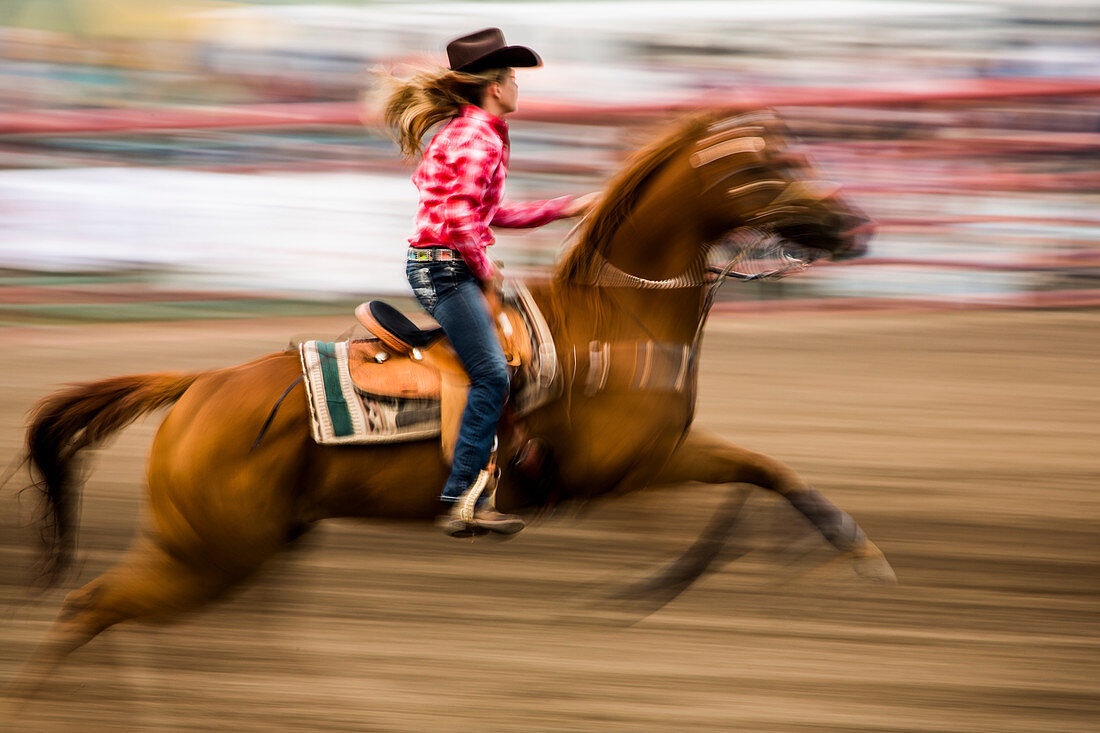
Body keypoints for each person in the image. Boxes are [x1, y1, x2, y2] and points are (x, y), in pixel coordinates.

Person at [379, 28, 597, 537]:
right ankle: (462, 497)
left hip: (443, 263)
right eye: (514, 78)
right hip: (445, 269)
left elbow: (489, 212)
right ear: (495, 87)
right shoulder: (477, 139)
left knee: (508, 359)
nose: (519, 86)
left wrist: (565, 207)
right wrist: (484, 270)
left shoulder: (472, 133)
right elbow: (460, 221)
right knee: (492, 374)